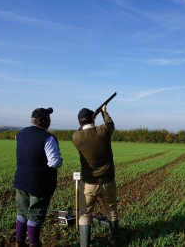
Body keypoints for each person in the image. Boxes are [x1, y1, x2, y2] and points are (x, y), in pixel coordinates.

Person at [13, 107, 63, 247]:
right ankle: (34, 243)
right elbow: (55, 162)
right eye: (49, 119)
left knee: (22, 212)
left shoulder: (19, 134)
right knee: (35, 214)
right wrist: (61, 160)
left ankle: (19, 242)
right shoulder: (47, 137)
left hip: (21, 181)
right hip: (39, 184)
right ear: (44, 121)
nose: (50, 121)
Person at [72, 105, 118, 247]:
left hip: (89, 183)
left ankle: (85, 244)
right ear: (93, 118)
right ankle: (113, 240)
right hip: (108, 180)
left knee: (85, 214)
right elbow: (110, 124)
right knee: (111, 211)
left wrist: (89, 120)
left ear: (80, 122)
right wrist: (104, 111)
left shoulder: (76, 137)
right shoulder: (103, 131)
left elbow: (82, 130)